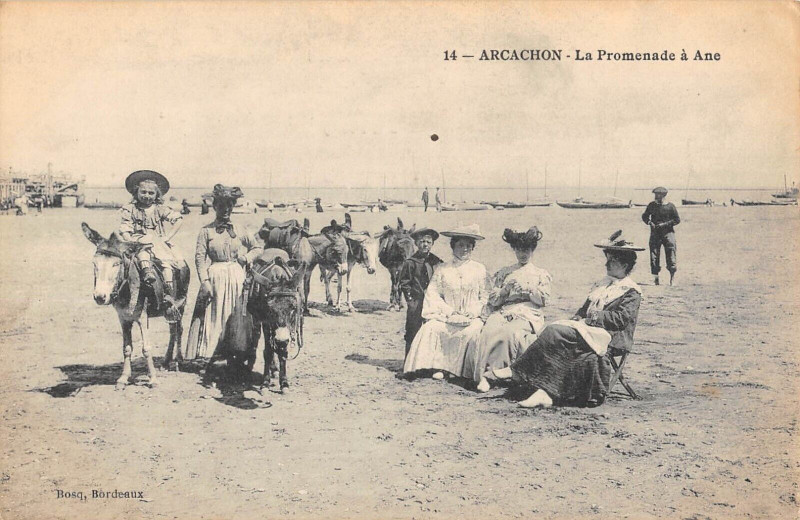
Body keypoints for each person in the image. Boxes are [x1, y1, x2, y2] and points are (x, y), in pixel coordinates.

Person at [485, 231, 642, 408]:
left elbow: (621, 319)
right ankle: (545, 393)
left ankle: (516, 371)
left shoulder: (631, 291)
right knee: (558, 332)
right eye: (607, 259)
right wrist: (578, 317)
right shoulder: (604, 284)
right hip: (591, 331)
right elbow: (585, 308)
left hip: (612, 336)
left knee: (554, 331)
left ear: (625, 265)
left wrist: (593, 317)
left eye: (612, 261)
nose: (607, 264)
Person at [468, 227, 552, 391]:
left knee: (508, 333)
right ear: (514, 249)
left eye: (527, 250)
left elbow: (543, 300)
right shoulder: (505, 272)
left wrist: (527, 290)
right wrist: (505, 290)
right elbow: (493, 301)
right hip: (505, 309)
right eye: (519, 250)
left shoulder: (540, 274)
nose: (523, 254)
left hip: (528, 312)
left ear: (532, 250)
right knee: (488, 331)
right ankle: (481, 375)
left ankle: (492, 376)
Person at [403, 224, 490, 380]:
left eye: (468, 246)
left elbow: (485, 296)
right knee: (430, 328)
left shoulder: (479, 269)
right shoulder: (443, 268)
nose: (464, 249)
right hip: (448, 314)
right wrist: (450, 312)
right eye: (461, 245)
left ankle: (462, 371)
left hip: (471, 316)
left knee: (472, 332)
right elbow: (434, 294)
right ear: (453, 246)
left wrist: (473, 311)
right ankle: (438, 366)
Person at [185, 184, 260, 360]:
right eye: (221, 205)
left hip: (236, 276)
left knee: (236, 313)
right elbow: (199, 258)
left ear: (233, 207)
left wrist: (246, 258)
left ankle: (237, 352)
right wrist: (204, 281)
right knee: (214, 314)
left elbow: (257, 248)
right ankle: (211, 354)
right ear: (214, 207)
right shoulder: (206, 231)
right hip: (215, 277)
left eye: (229, 206)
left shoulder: (241, 229)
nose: (225, 209)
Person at [118, 170, 184, 290]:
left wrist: (167, 237)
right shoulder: (130, 209)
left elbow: (178, 219)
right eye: (143, 192)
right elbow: (125, 228)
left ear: (156, 195)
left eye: (151, 193)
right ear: (136, 192)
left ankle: (168, 288)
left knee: (167, 262)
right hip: (138, 241)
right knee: (138, 255)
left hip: (158, 242)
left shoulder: (160, 209)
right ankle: (146, 272)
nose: (147, 196)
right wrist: (130, 241)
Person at [397, 228, 444, 355]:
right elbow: (404, 283)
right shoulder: (410, 262)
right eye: (422, 242)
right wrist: (411, 301)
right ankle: (409, 364)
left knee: (432, 331)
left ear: (432, 244)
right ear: (417, 244)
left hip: (433, 303)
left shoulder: (437, 262)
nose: (425, 245)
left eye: (428, 242)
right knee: (413, 331)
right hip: (417, 302)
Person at [641, 186, 680, 286]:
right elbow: (645, 216)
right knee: (654, 256)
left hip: (668, 233)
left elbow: (677, 220)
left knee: (671, 254)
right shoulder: (651, 205)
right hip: (655, 234)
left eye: (658, 195)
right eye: (655, 194)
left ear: (663, 195)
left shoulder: (670, 206)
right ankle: (656, 279)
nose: (656, 196)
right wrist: (650, 222)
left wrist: (664, 224)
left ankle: (672, 279)